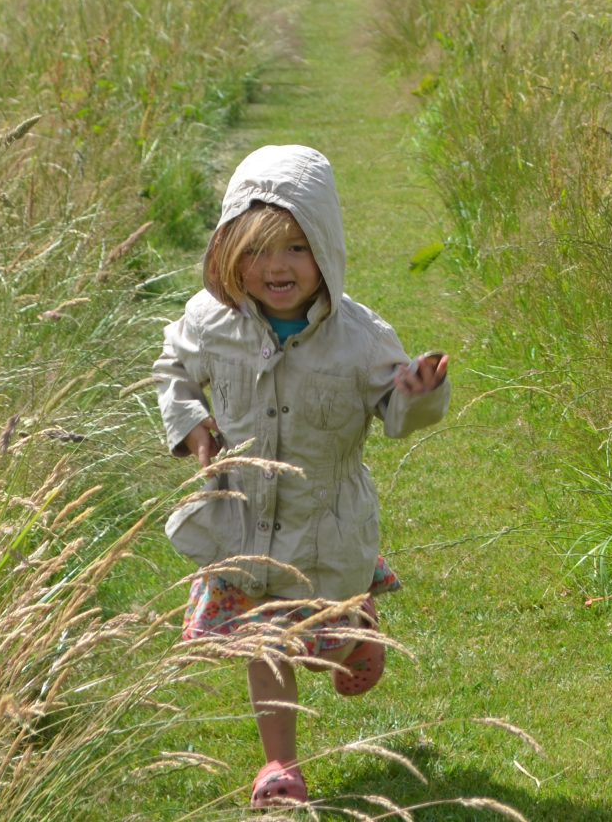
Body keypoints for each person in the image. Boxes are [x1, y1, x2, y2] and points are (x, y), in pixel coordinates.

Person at [154, 144, 450, 810]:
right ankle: (280, 765)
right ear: (230, 253)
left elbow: (397, 413)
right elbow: (172, 367)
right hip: (243, 525)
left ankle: (353, 638)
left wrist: (419, 393)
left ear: (326, 248)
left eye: (295, 247)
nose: (277, 267)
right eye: (258, 251)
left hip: (324, 525)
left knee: (316, 641)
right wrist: (192, 424)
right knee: (266, 642)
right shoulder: (211, 322)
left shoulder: (361, 339)